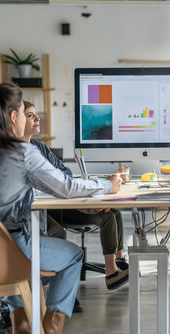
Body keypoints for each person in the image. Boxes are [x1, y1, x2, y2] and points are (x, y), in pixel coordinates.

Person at [0, 82, 121, 334]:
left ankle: (20, 323)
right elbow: (66, 187)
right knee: (72, 255)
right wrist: (107, 185)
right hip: (9, 254)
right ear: (13, 116)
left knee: (13, 249)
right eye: (24, 112)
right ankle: (51, 328)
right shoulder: (21, 151)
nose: (27, 117)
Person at [21, 100, 128, 290]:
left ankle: (118, 263)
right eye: (30, 115)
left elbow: (65, 175)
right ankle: (61, 289)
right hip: (44, 209)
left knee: (113, 212)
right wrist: (55, 185)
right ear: (16, 119)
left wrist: (57, 185)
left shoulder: (39, 147)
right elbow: (62, 184)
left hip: (60, 201)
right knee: (65, 235)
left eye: (36, 114)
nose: (37, 118)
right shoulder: (21, 154)